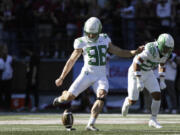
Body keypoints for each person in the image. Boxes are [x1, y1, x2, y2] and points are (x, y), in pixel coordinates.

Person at [53, 17, 143, 131]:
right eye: (88, 33)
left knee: (101, 97)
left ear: (99, 31)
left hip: (101, 76)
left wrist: (134, 52)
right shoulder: (81, 41)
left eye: (93, 34)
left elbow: (118, 51)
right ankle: (61, 98)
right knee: (69, 97)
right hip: (87, 74)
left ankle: (90, 124)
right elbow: (71, 61)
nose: (90, 36)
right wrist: (61, 77)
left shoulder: (104, 39)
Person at [121, 33, 174, 128]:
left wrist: (162, 80)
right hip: (135, 72)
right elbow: (136, 62)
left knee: (157, 95)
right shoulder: (150, 49)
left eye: (169, 48)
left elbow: (162, 64)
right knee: (133, 99)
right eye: (166, 48)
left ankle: (153, 119)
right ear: (160, 44)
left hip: (148, 72)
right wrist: (139, 80)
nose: (167, 50)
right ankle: (127, 102)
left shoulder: (166, 53)